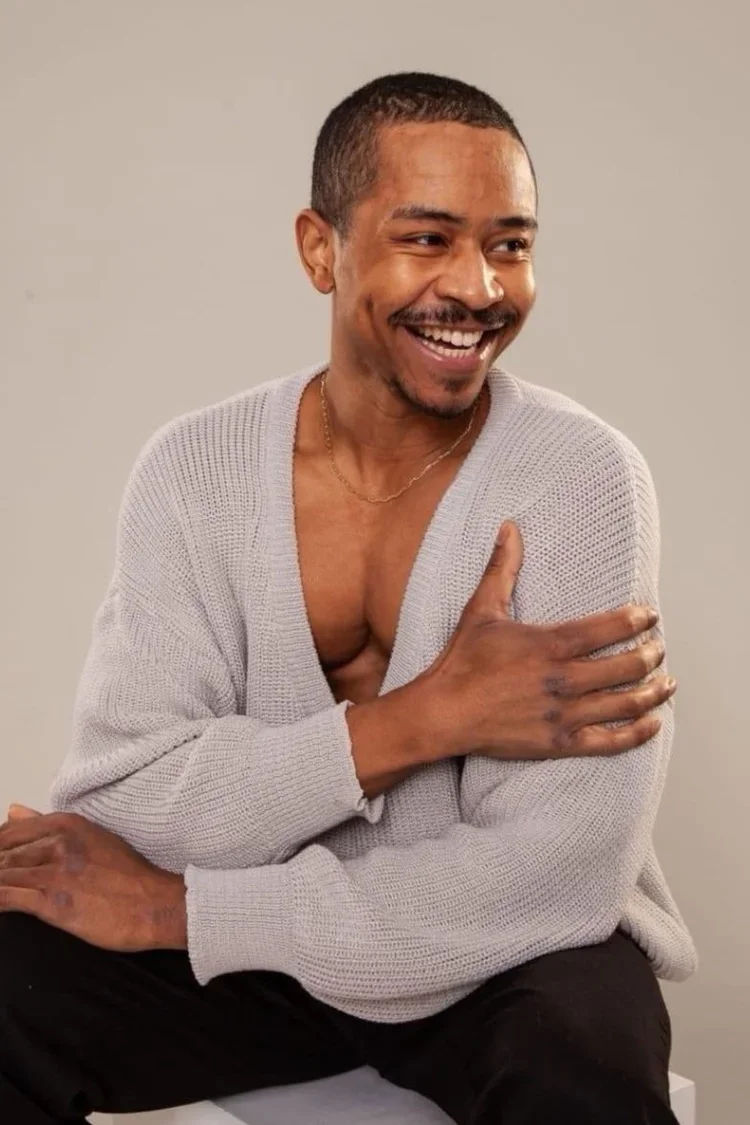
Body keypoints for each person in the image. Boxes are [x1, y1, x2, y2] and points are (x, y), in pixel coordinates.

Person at [0, 71, 696, 1124]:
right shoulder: (196, 471)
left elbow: (555, 872)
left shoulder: (581, 480)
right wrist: (422, 721)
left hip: (499, 958)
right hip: (260, 967)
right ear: (320, 249)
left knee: (581, 1057)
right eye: (428, 238)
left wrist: (187, 911)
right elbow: (129, 802)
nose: (479, 287)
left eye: (510, 244)